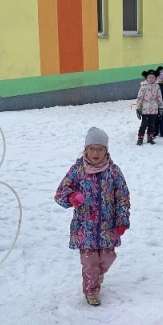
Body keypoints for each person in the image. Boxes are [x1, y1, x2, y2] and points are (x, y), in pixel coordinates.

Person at [54, 127, 131, 306]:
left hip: (107, 227)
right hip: (84, 228)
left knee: (107, 258)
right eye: (92, 149)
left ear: (106, 150)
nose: (96, 153)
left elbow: (123, 197)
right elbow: (60, 193)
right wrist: (72, 197)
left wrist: (122, 220)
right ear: (86, 149)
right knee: (89, 263)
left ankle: (98, 273)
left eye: (100, 149)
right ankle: (91, 291)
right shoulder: (78, 170)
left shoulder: (113, 171)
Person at [135, 69, 163, 146]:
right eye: (149, 77)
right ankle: (140, 138)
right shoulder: (143, 86)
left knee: (151, 124)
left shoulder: (157, 87)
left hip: (154, 109)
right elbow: (140, 97)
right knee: (144, 124)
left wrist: (161, 108)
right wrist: (138, 108)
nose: (151, 79)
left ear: (155, 78)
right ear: (146, 78)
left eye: (153, 77)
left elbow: (159, 98)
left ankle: (150, 137)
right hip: (145, 109)